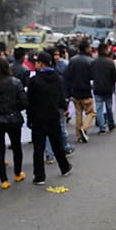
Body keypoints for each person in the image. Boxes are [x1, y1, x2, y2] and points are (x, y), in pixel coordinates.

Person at [27, 51, 72, 184]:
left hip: (38, 118)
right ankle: (64, 167)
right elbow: (60, 97)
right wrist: (64, 108)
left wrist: (29, 119)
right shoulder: (58, 78)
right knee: (57, 144)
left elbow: (30, 102)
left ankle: (39, 176)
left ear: (41, 64)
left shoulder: (34, 81)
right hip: (53, 116)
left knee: (39, 148)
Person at [0, 58, 28, 189]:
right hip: (13, 119)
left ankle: (3, 180)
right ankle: (18, 173)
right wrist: (15, 109)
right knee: (16, 146)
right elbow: (24, 102)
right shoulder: (15, 82)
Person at [65, 40, 95, 143]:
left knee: (78, 113)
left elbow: (68, 76)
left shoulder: (72, 60)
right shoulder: (90, 61)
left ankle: (79, 135)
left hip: (75, 91)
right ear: (86, 48)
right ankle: (84, 128)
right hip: (86, 90)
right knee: (91, 112)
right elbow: (92, 76)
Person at [90, 43, 116, 133]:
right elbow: (114, 76)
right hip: (108, 88)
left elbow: (91, 75)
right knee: (109, 107)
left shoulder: (94, 62)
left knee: (99, 108)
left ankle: (101, 126)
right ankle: (111, 124)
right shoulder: (110, 62)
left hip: (97, 87)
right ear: (106, 50)